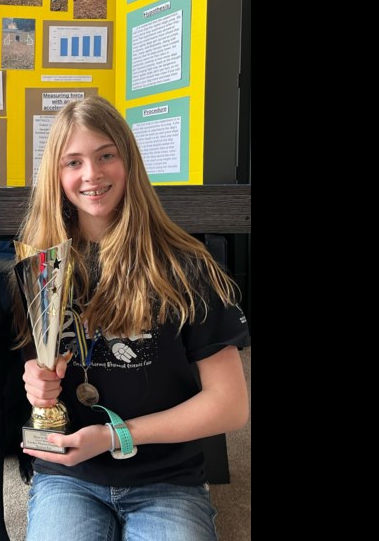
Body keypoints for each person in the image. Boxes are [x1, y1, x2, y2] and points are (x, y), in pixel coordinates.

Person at [13, 96, 250, 541]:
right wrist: (34, 381)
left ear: (129, 161)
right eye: (73, 162)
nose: (91, 174)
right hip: (69, 476)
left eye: (106, 155)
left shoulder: (186, 267)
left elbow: (230, 405)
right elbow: (34, 371)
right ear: (55, 175)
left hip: (166, 478)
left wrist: (115, 435)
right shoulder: (40, 268)